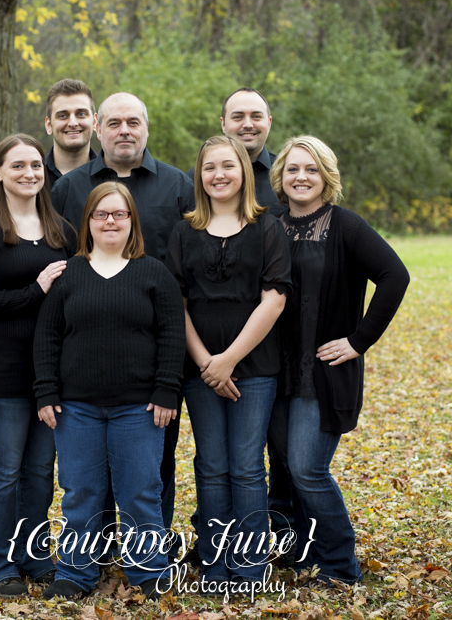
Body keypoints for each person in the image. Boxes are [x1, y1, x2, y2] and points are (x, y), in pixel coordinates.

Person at [50, 92, 194, 543]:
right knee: (87, 470)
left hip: (156, 351)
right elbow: (59, 273)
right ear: (98, 128)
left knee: (154, 461)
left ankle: (150, 546)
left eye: (133, 121)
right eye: (114, 123)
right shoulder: (70, 188)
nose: (124, 130)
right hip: (86, 352)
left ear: (147, 127)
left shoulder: (179, 186)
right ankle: (99, 547)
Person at [267, 135, 409, 584]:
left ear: (326, 177)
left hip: (324, 373)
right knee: (287, 467)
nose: (301, 177)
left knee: (308, 468)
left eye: (310, 169)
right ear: (280, 177)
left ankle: (341, 565)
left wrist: (358, 340)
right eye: (293, 169)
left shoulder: (345, 226)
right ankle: (305, 553)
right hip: (273, 371)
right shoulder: (269, 225)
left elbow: (394, 276)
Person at [34, 182, 186, 600]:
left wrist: (167, 389)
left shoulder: (153, 273)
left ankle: (148, 572)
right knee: (81, 493)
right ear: (88, 222)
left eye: (119, 214)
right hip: (76, 409)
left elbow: (173, 335)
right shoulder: (70, 274)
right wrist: (46, 391)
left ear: (132, 221)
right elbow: (46, 337)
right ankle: (76, 575)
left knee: (140, 493)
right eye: (101, 214)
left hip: (139, 408)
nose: (110, 221)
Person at [0, 134, 76, 597]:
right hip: (2, 370)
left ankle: (34, 555)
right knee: (5, 470)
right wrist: (35, 290)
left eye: (36, 166)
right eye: (18, 165)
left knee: (40, 472)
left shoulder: (60, 229)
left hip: (50, 373)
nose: (29, 173)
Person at [165, 135, 292, 589]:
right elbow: (174, 305)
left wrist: (229, 360)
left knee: (246, 465)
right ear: (199, 176)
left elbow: (273, 301)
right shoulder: (184, 231)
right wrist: (206, 364)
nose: (219, 175)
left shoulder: (268, 227)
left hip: (255, 370)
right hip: (199, 372)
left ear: (243, 171)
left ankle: (250, 567)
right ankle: (216, 565)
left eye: (228, 166)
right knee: (211, 465)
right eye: (209, 168)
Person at [188, 88, 283, 217]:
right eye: (238, 117)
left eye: (256, 117)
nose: (248, 124)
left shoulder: (286, 176)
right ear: (223, 124)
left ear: (269, 123)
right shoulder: (192, 182)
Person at [43, 79, 98, 187]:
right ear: (49, 125)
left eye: (81, 114)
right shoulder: (32, 177)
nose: (73, 123)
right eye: (62, 116)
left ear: (95, 122)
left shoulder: (112, 177)